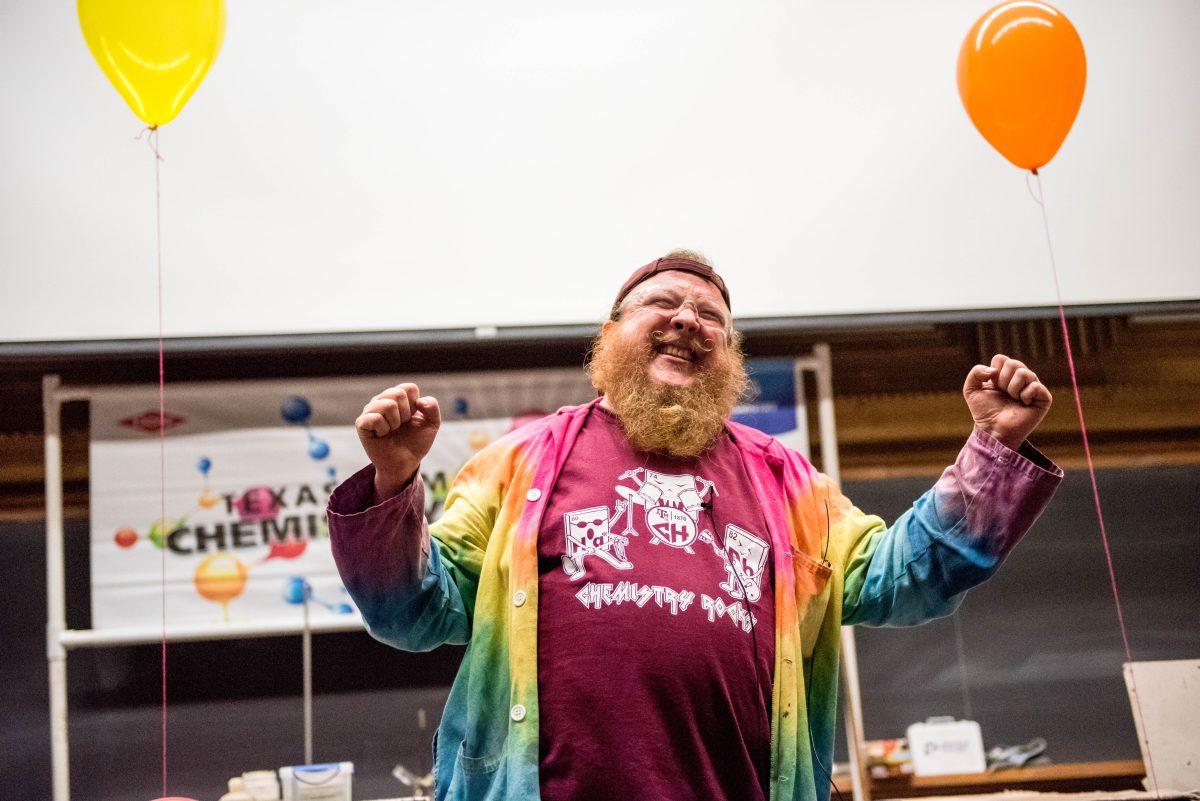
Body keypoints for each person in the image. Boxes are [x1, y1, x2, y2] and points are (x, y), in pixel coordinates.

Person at [327, 251, 1062, 801]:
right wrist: (395, 481)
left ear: (730, 355)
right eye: (662, 304)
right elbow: (415, 611)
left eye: (710, 315)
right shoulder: (516, 461)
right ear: (609, 337)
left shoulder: (787, 481)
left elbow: (906, 577)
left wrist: (992, 451)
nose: (687, 319)